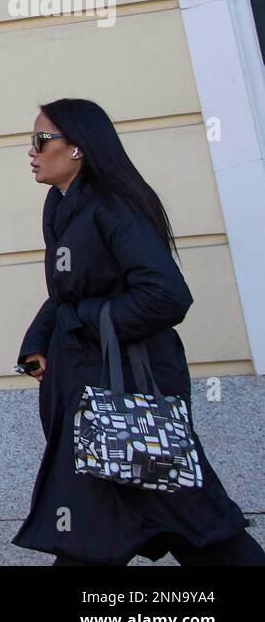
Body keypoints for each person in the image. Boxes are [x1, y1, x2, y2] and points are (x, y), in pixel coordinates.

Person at [14, 98, 263, 565]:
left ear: (78, 149)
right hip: (96, 393)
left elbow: (166, 297)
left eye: (41, 140)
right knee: (116, 527)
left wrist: (86, 320)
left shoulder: (112, 207)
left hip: (131, 391)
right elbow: (67, 294)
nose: (32, 151)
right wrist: (38, 343)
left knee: (192, 522)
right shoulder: (62, 205)